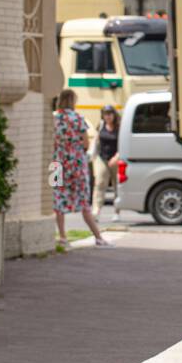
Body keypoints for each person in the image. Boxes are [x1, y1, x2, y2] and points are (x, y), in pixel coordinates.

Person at [52, 89, 112, 247]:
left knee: (57, 198)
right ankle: (98, 237)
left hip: (56, 164)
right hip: (76, 164)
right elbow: (85, 143)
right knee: (84, 200)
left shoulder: (53, 118)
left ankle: (62, 236)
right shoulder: (78, 118)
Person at [91, 105, 121, 218]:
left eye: (109, 114)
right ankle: (96, 210)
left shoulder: (119, 127)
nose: (107, 116)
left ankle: (117, 211)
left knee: (117, 185)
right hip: (102, 158)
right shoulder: (101, 125)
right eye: (105, 114)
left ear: (114, 115)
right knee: (99, 183)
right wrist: (92, 153)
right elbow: (96, 140)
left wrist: (116, 157)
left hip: (116, 158)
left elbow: (122, 143)